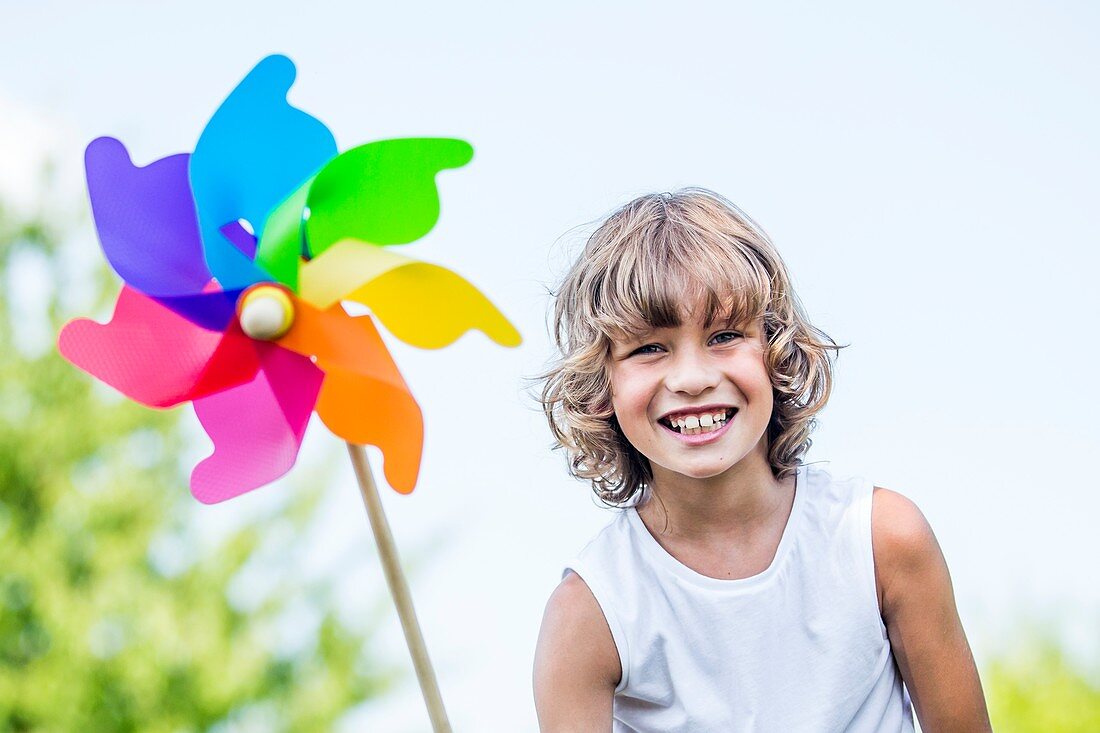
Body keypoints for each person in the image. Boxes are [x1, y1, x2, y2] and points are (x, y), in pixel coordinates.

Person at [532, 189, 991, 732]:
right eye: (648, 348)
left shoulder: (881, 538)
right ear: (601, 385)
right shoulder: (591, 612)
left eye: (725, 336)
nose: (693, 378)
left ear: (776, 350)